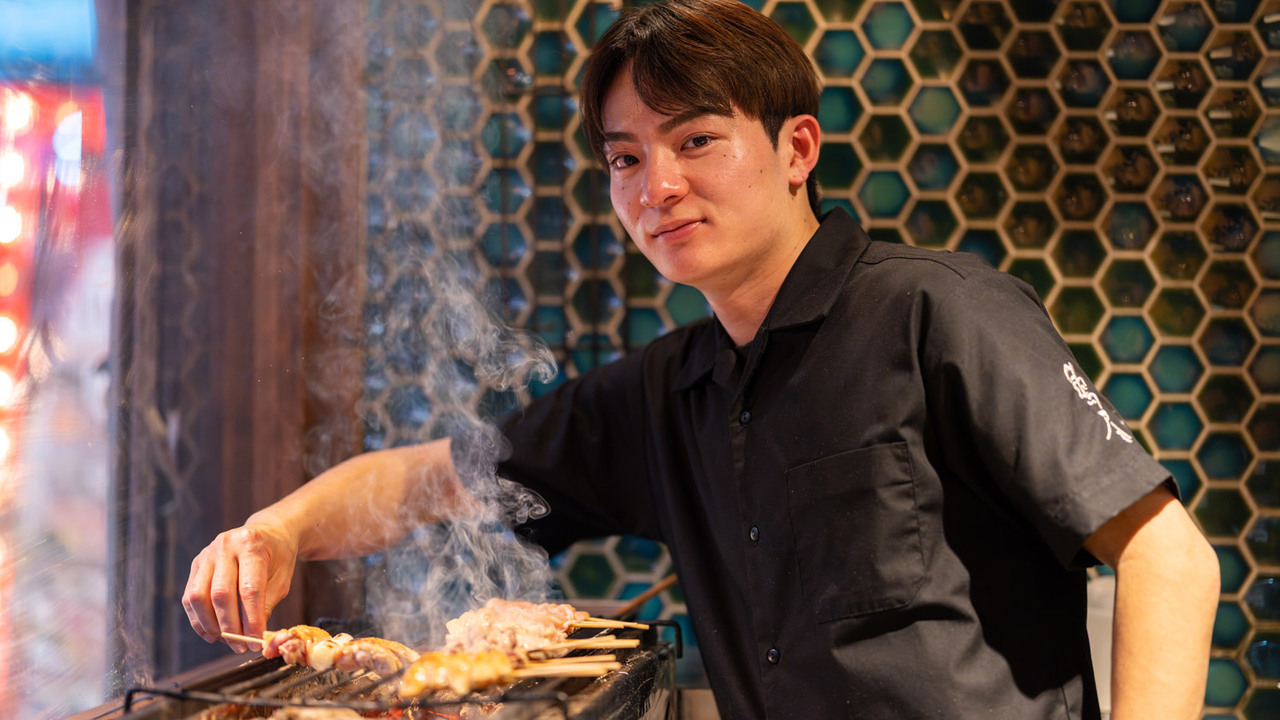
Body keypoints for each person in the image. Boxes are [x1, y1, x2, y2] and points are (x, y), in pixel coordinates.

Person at [183, 0, 1220, 717]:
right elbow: (430, 478)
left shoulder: (937, 313)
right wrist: (275, 532)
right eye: (625, 158)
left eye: (694, 141)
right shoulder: (669, 387)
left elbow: (1167, 556)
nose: (655, 186)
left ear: (796, 150)